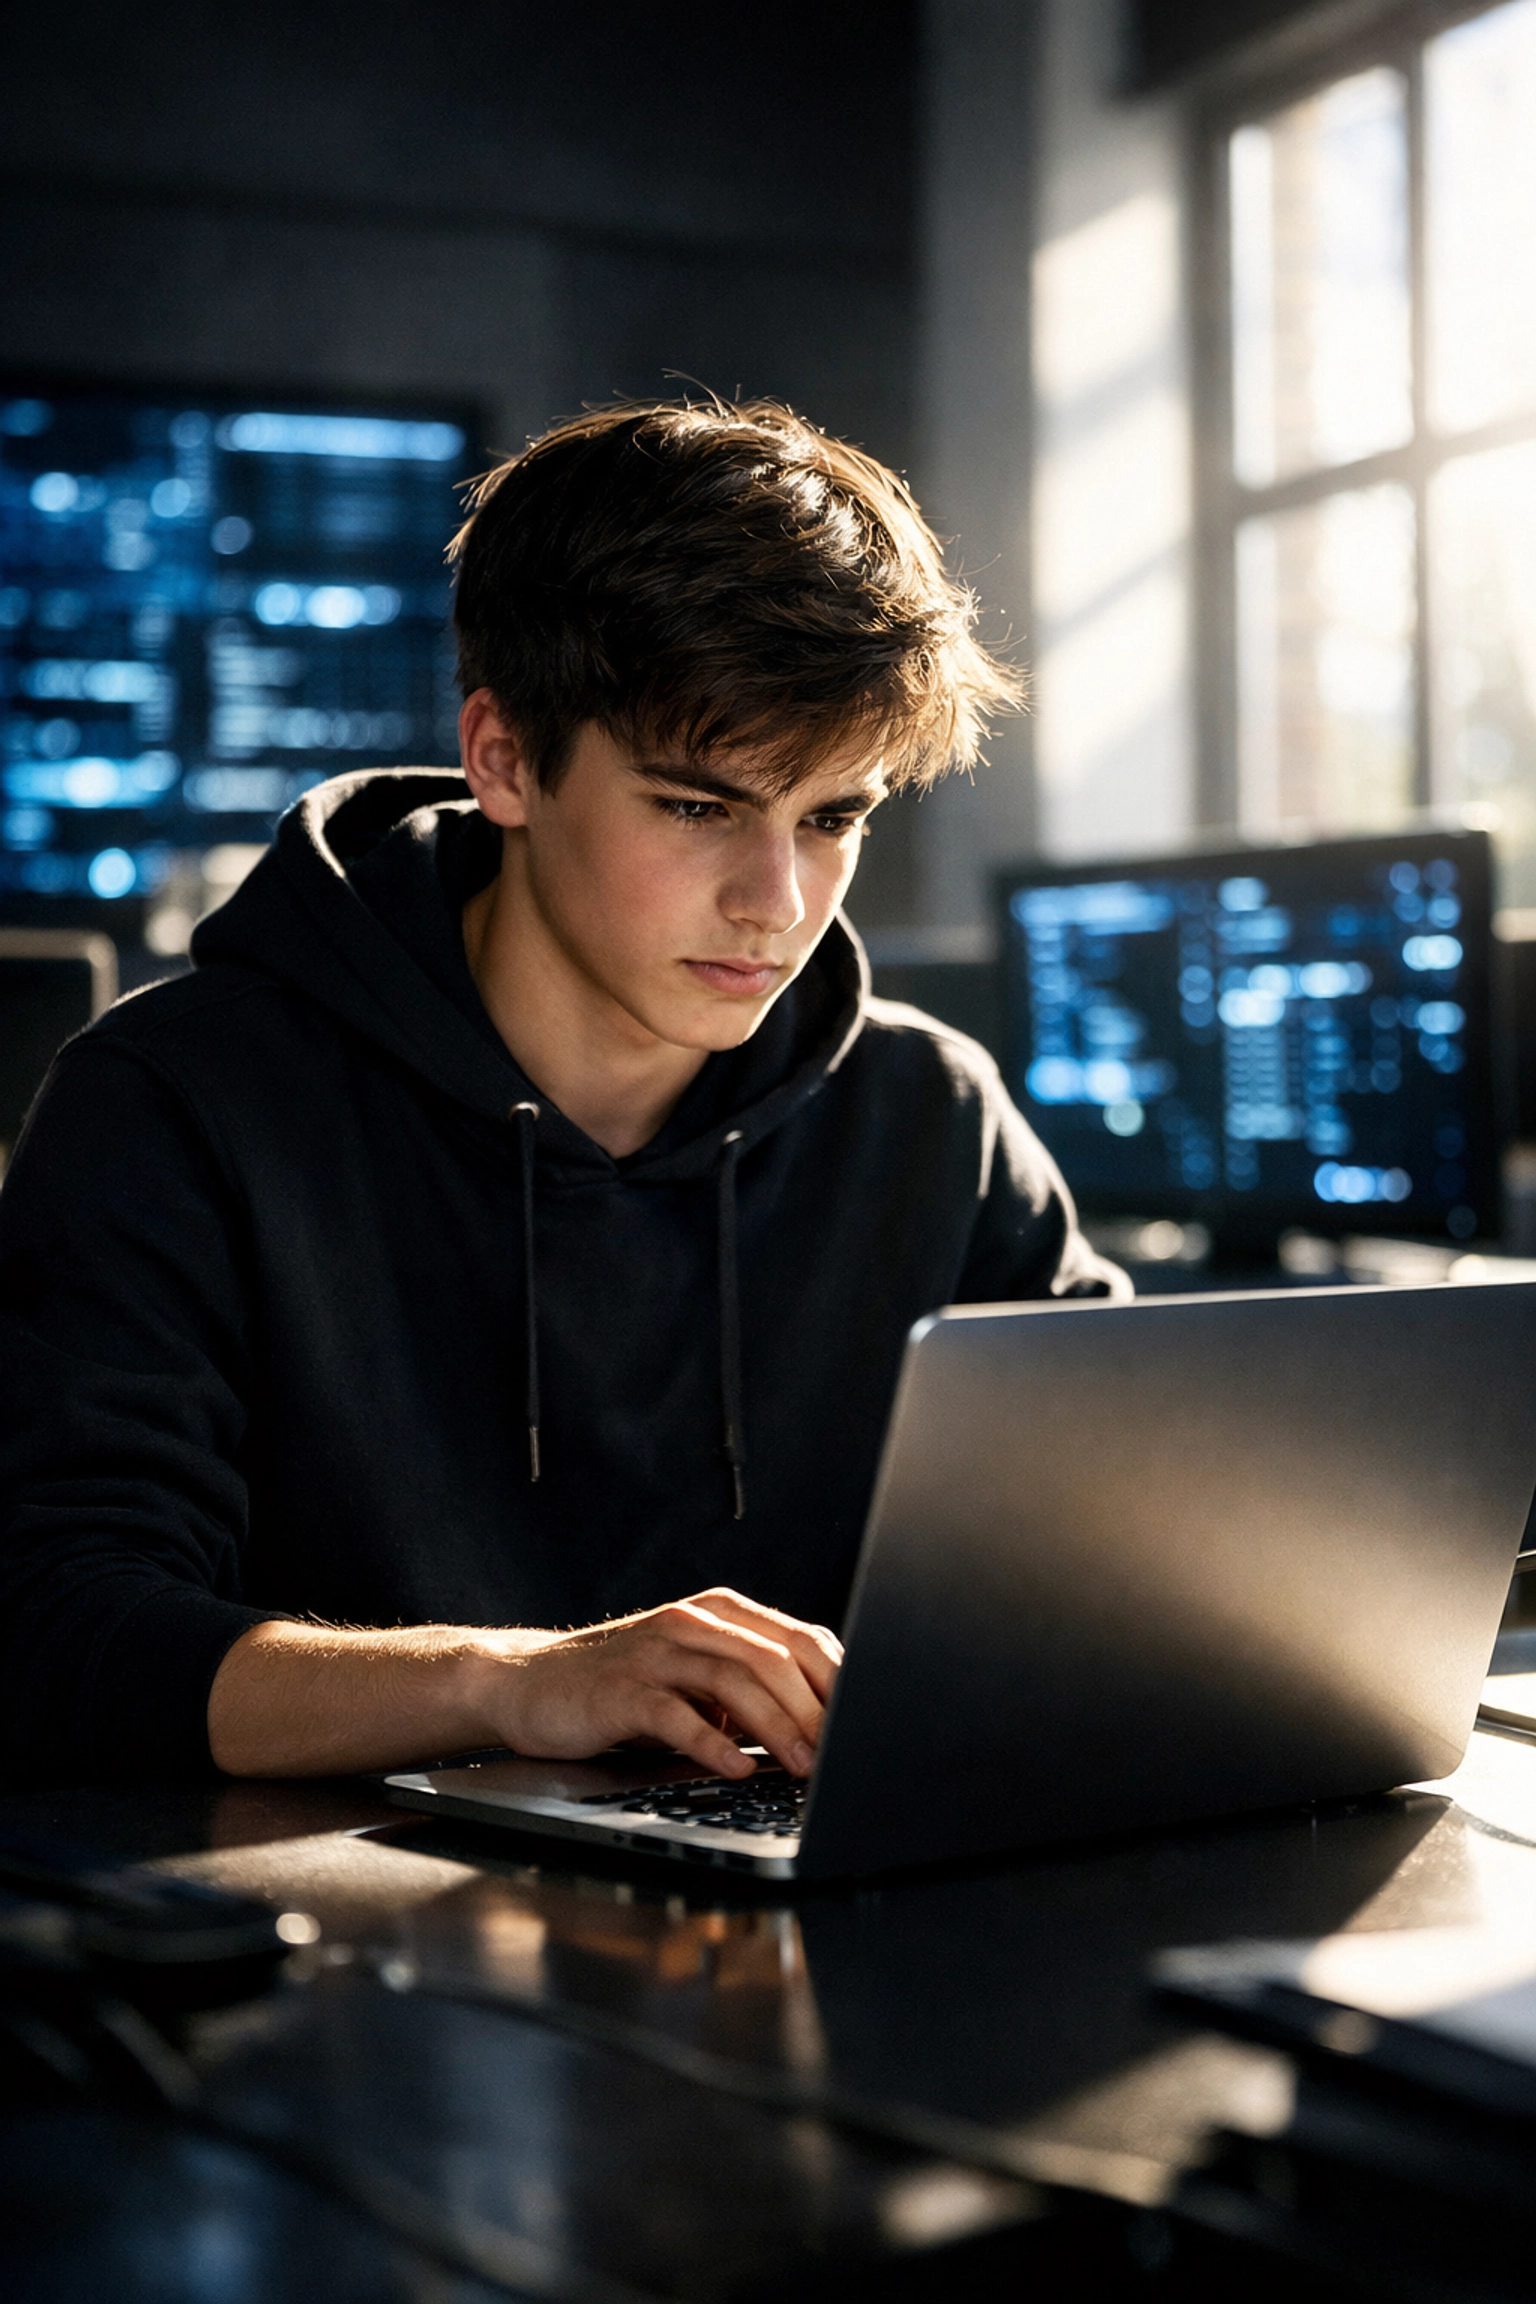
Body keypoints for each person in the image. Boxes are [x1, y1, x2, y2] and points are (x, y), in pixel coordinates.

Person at [0, 397, 1125, 1790]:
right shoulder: (173, 1102)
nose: (779, 906)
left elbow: (1122, 1547)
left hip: (833, 1901)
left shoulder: (930, 1115)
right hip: (351, 1942)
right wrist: (522, 1683)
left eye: (833, 817)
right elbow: (52, 1635)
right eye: (699, 807)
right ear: (505, 760)